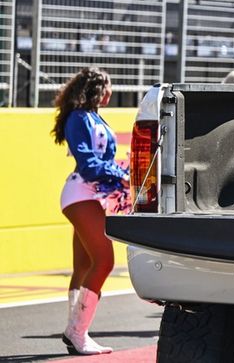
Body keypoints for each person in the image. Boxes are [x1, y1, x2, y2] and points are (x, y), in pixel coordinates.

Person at [52, 67, 128, 355]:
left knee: (84, 265)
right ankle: (77, 332)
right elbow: (89, 165)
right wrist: (121, 174)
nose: (111, 93)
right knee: (104, 261)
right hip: (80, 192)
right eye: (109, 87)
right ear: (99, 89)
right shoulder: (78, 118)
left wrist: (119, 172)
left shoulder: (94, 117)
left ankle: (74, 330)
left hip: (90, 193)